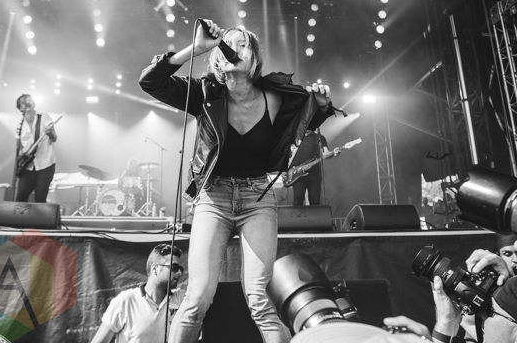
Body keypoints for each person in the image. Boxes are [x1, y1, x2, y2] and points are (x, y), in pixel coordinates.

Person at [139, 19, 336, 343]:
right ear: (218, 58)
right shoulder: (204, 94)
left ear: (254, 58)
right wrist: (195, 49)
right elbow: (150, 81)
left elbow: (308, 118)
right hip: (213, 198)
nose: (235, 49)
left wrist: (323, 103)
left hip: (257, 199)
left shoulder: (276, 96)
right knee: (197, 297)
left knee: (261, 299)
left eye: (243, 44)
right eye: (229, 44)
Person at [90, 244, 185, 343]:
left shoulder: (181, 299)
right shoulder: (126, 300)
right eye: (174, 267)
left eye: (180, 269)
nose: (179, 272)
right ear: (155, 269)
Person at [15, 94, 57, 203]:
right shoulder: (20, 124)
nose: (27, 102)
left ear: (34, 103)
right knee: (21, 196)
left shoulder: (44, 117)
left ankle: (39, 215)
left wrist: (50, 133)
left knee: (40, 197)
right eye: (24, 101)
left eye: (29, 100)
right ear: (20, 108)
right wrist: (21, 156)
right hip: (27, 166)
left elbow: (54, 138)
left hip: (45, 163)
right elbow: (19, 145)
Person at [289, 130, 330, 205]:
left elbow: (326, 153)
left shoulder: (319, 138)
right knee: (298, 199)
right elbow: (287, 155)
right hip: (297, 174)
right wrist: (285, 170)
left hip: (314, 174)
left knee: (315, 200)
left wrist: (333, 153)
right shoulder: (294, 138)